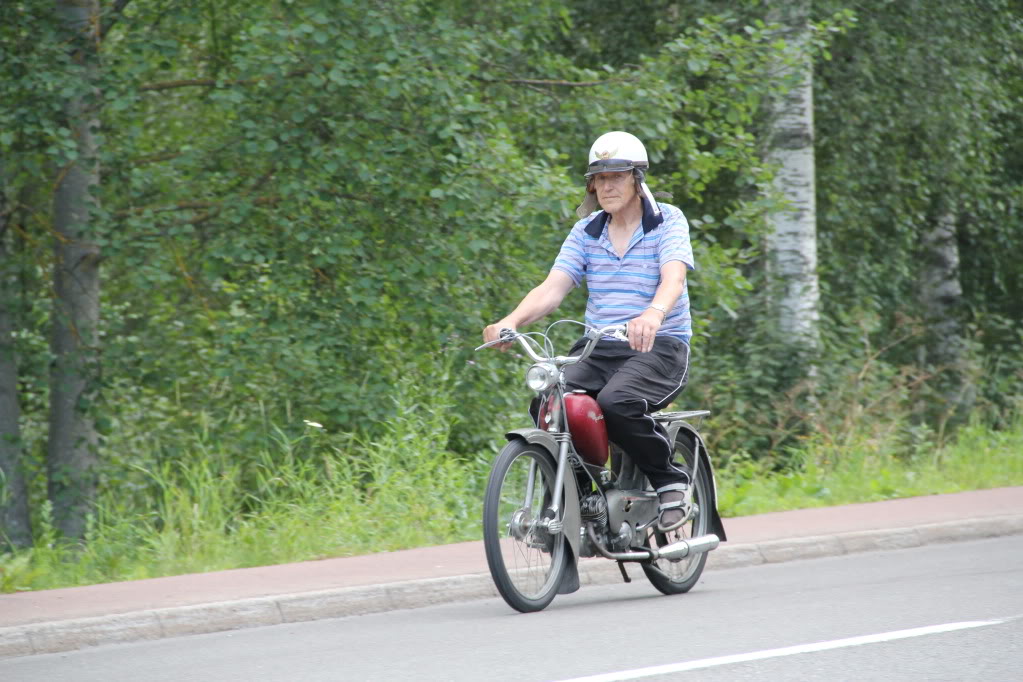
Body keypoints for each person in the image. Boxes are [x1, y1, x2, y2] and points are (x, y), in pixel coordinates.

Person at [483, 131, 696, 533]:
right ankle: (584, 491)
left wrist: (653, 313)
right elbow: (552, 288)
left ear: (637, 178)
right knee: (549, 400)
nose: (607, 186)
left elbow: (674, 279)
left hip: (659, 346)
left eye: (617, 175)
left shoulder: (667, 219)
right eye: (599, 178)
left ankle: (670, 479)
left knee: (618, 402)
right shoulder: (587, 231)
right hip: (599, 349)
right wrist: (510, 321)